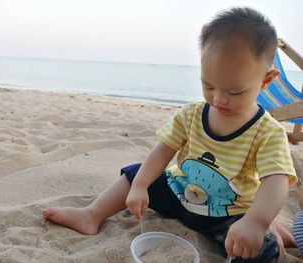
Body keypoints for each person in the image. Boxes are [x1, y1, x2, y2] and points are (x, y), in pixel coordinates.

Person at [42, 7, 297, 262]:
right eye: (208, 85)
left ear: (265, 81)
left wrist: (255, 221)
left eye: (235, 91)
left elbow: (275, 182)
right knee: (135, 173)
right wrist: (141, 186)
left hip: (229, 214)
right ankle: (91, 214)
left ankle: (271, 228)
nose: (218, 98)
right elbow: (163, 151)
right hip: (179, 193)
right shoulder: (191, 114)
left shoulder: (267, 132)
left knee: (262, 248)